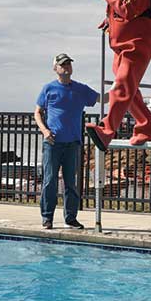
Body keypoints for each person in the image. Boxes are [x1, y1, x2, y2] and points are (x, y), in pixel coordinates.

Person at [85, 0, 151, 151]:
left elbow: (128, 10)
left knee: (120, 88)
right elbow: (119, 15)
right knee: (130, 92)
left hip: (135, 47)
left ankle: (106, 131)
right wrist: (109, 22)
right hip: (119, 49)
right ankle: (147, 126)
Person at [35, 53, 101, 230]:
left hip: (72, 143)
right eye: (63, 64)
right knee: (50, 181)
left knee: (71, 182)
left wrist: (123, 89)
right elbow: (37, 112)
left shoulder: (80, 89)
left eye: (69, 64)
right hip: (53, 143)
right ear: (55, 68)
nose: (66, 67)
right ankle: (47, 217)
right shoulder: (48, 89)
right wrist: (45, 130)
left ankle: (70, 218)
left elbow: (102, 99)